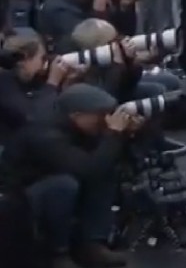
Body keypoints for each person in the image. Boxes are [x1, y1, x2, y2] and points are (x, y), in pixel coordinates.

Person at [0, 84, 142, 268]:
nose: (105, 120)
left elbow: (101, 160)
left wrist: (127, 133)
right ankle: (58, 252)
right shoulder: (45, 133)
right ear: (77, 115)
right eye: (100, 114)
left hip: (49, 180)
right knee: (64, 185)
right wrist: (114, 134)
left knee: (104, 170)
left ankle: (93, 244)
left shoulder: (77, 127)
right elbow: (87, 169)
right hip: (22, 193)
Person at [0, 33, 77, 143]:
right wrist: (53, 82)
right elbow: (32, 118)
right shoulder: (4, 83)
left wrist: (67, 84)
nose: (45, 63)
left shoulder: (34, 81)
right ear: (25, 58)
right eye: (42, 58)